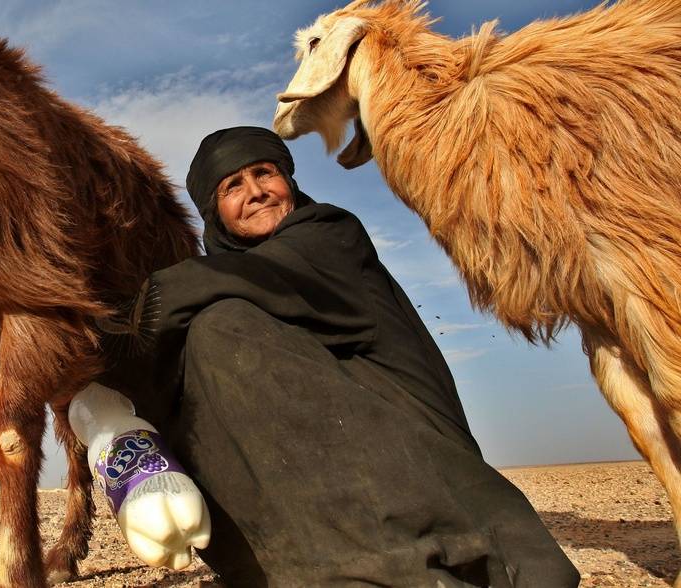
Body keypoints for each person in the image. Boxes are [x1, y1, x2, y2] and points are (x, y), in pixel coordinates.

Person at [99, 126, 580, 587]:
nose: (256, 191)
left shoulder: (328, 235)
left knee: (220, 330)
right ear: (214, 211)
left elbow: (214, 286)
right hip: (322, 506)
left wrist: (114, 320)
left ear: (288, 182)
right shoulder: (220, 282)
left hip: (417, 476)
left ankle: (385, 566)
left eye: (265, 173)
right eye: (233, 185)